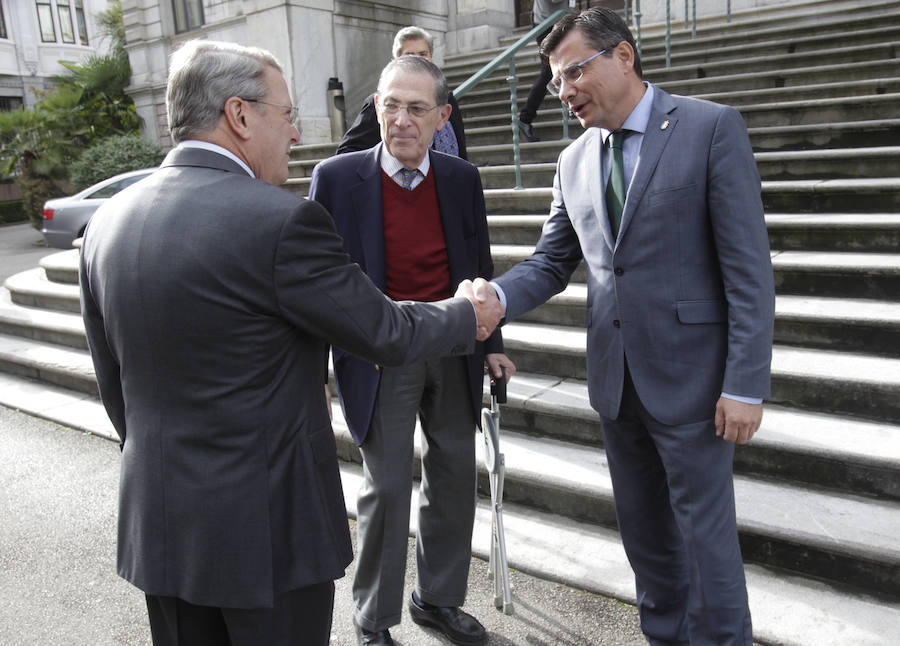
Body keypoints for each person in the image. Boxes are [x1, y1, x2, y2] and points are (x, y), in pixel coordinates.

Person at [78, 40, 503, 646]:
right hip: (268, 531)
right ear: (240, 115)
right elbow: (381, 328)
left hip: (163, 530)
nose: (297, 133)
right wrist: (468, 314)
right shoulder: (279, 221)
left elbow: (115, 387)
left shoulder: (107, 222)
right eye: (284, 113)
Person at [481, 8, 775, 645]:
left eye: (575, 72)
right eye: (557, 81)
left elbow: (748, 270)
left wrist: (746, 382)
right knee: (646, 541)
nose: (565, 92)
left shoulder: (709, 127)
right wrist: (496, 297)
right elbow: (551, 262)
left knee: (706, 545)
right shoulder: (573, 160)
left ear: (624, 57)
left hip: (696, 385)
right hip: (617, 385)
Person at [309, 55, 514, 646]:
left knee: (453, 474)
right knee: (388, 484)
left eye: (416, 108)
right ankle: (373, 618)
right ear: (375, 107)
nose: (400, 119)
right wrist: (318, 368)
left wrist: (491, 342)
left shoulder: (460, 179)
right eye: (390, 104)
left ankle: (438, 599)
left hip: (453, 344)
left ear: (442, 116)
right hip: (379, 350)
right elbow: (316, 281)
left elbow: (479, 269)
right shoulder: (336, 178)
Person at [336, 25, 468, 160]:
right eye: (409, 55)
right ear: (397, 61)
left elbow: (461, 152)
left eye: (423, 54)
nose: (418, 61)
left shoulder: (447, 99)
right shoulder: (382, 103)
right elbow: (347, 152)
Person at [517, 0, 575, 142]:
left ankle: (574, 103)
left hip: (560, 22)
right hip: (546, 24)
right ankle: (525, 119)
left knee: (570, 63)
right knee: (549, 72)